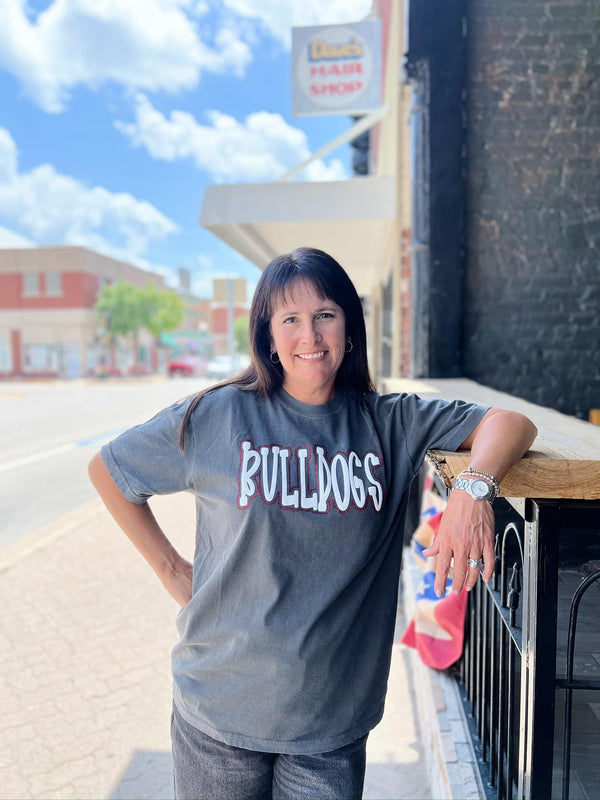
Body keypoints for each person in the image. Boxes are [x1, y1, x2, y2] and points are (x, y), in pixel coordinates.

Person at [88, 247, 537, 800]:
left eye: (325, 314)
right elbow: (110, 470)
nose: (310, 335)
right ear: (269, 337)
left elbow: (510, 422)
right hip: (218, 713)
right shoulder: (219, 415)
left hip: (330, 727)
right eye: (291, 320)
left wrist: (472, 491)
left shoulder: (389, 422)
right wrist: (171, 570)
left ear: (349, 327)